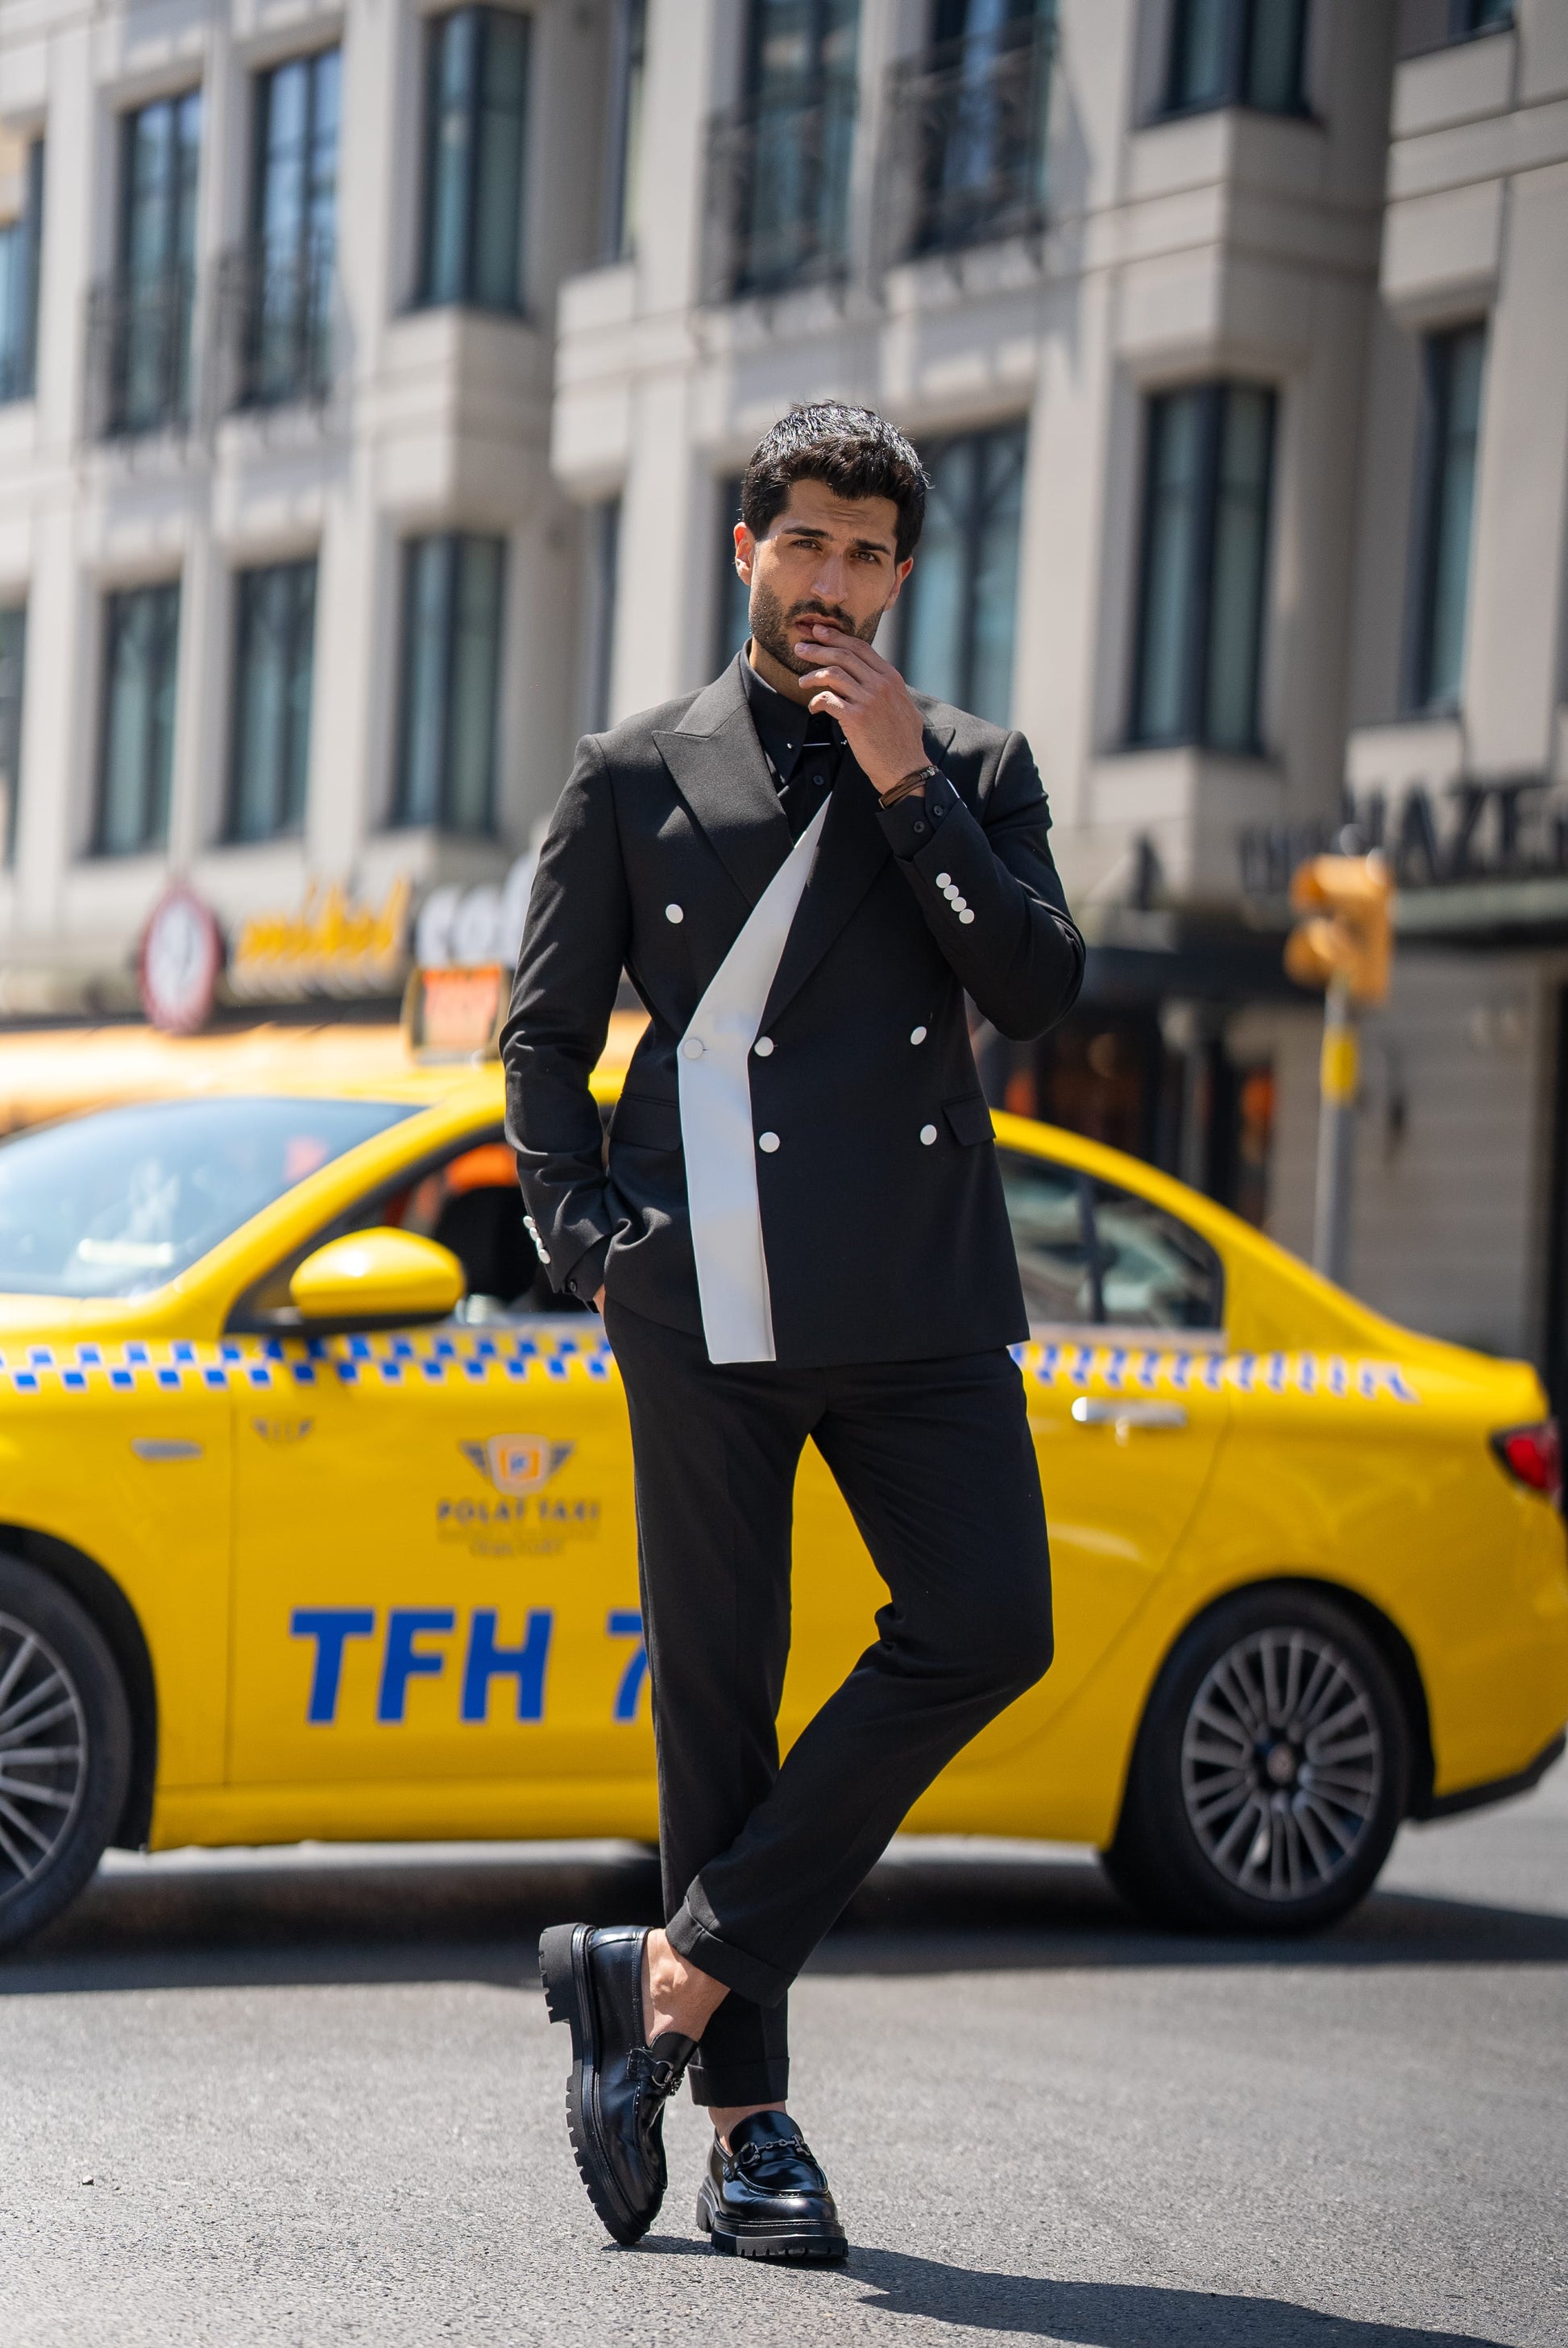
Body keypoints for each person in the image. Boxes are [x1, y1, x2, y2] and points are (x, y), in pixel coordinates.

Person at [503, 402, 1085, 2263]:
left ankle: (660, 1974)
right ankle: (749, 2126)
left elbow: (1033, 988)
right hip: (708, 1288)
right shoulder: (631, 770)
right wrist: (588, 1238)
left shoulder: (974, 764)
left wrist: (910, 787)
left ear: (901, 575)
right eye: (805, 541)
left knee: (989, 1620)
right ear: (745, 548)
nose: (832, 578)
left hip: (915, 1287)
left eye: (867, 552)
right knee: (720, 1690)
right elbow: (543, 1033)